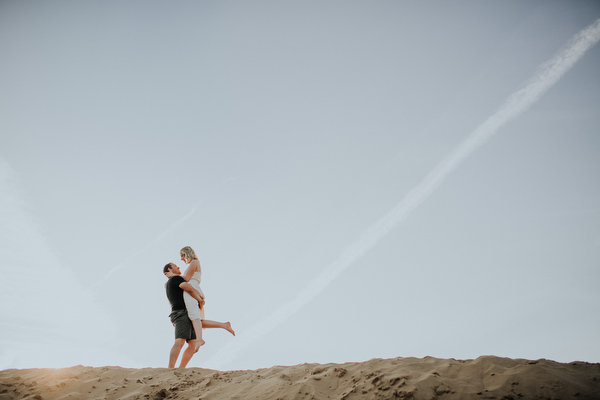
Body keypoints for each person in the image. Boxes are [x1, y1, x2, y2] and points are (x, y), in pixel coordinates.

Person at [178, 246, 235, 351]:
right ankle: (223, 325)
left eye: (182, 255)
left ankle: (200, 339)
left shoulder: (194, 262)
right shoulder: (194, 263)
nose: (181, 258)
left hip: (192, 289)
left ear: (187, 253)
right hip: (193, 289)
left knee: (194, 317)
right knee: (195, 319)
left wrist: (173, 277)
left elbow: (186, 278)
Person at [163, 262, 204, 368]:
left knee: (192, 343)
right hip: (181, 313)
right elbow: (189, 288)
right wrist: (200, 299)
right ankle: (170, 369)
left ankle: (181, 369)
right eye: (175, 266)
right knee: (179, 341)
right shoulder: (175, 279)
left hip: (184, 313)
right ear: (170, 269)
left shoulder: (169, 283)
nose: (178, 267)